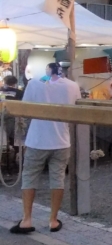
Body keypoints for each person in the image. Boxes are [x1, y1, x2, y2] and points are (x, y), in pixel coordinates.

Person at [10, 62, 81, 235]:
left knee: (29, 177)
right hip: (62, 139)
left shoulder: (34, 83)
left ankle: (27, 220)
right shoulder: (73, 86)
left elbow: (25, 110)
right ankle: (53, 220)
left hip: (37, 139)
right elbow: (76, 110)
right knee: (57, 178)